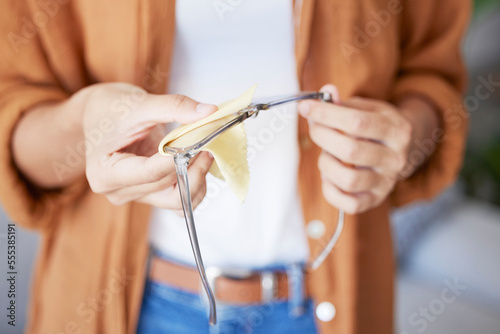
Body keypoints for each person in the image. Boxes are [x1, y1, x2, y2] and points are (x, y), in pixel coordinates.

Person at [0, 0, 470, 333]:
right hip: (122, 305)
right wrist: (83, 125)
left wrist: (402, 137)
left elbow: (434, 76)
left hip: (332, 302)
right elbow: (15, 117)